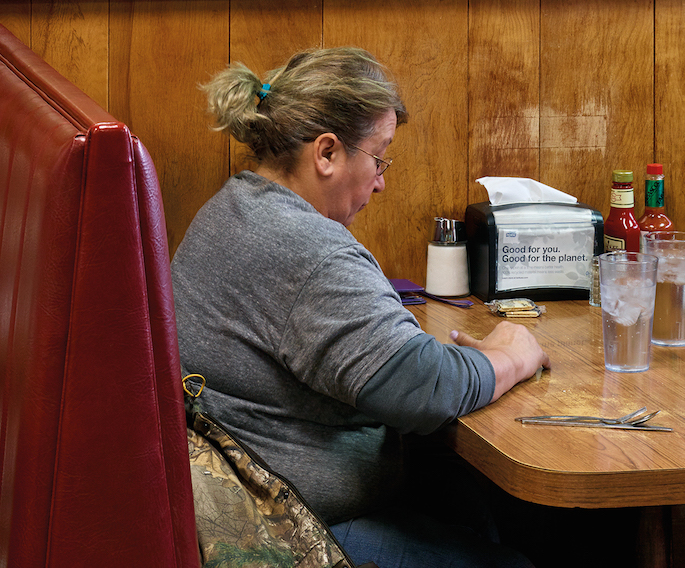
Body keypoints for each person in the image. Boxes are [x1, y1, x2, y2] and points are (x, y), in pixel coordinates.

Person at [171, 47, 548, 568]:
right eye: (379, 156)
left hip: (245, 499)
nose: (381, 180)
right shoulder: (308, 250)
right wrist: (512, 351)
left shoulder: (235, 205)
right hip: (288, 532)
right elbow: (423, 388)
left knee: (479, 504)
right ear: (326, 153)